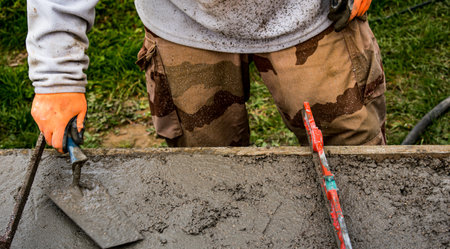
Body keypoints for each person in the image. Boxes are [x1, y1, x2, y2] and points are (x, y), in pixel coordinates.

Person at [27, 0, 385, 152]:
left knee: (355, 161)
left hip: (309, 16)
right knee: (208, 176)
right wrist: (58, 75)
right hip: (183, 21)